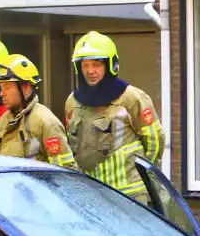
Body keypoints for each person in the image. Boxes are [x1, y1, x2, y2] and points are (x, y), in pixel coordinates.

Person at [64, 30, 165, 204]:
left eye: (97, 64)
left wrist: (143, 180)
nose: (90, 71)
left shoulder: (132, 98)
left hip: (131, 197)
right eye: (85, 65)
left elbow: (155, 141)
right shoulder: (72, 101)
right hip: (92, 196)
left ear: (111, 65)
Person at [0, 53, 78, 170]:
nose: (1, 93)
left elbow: (65, 173)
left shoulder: (46, 122)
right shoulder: (4, 120)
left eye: (6, 87)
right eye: (1, 88)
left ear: (25, 87)